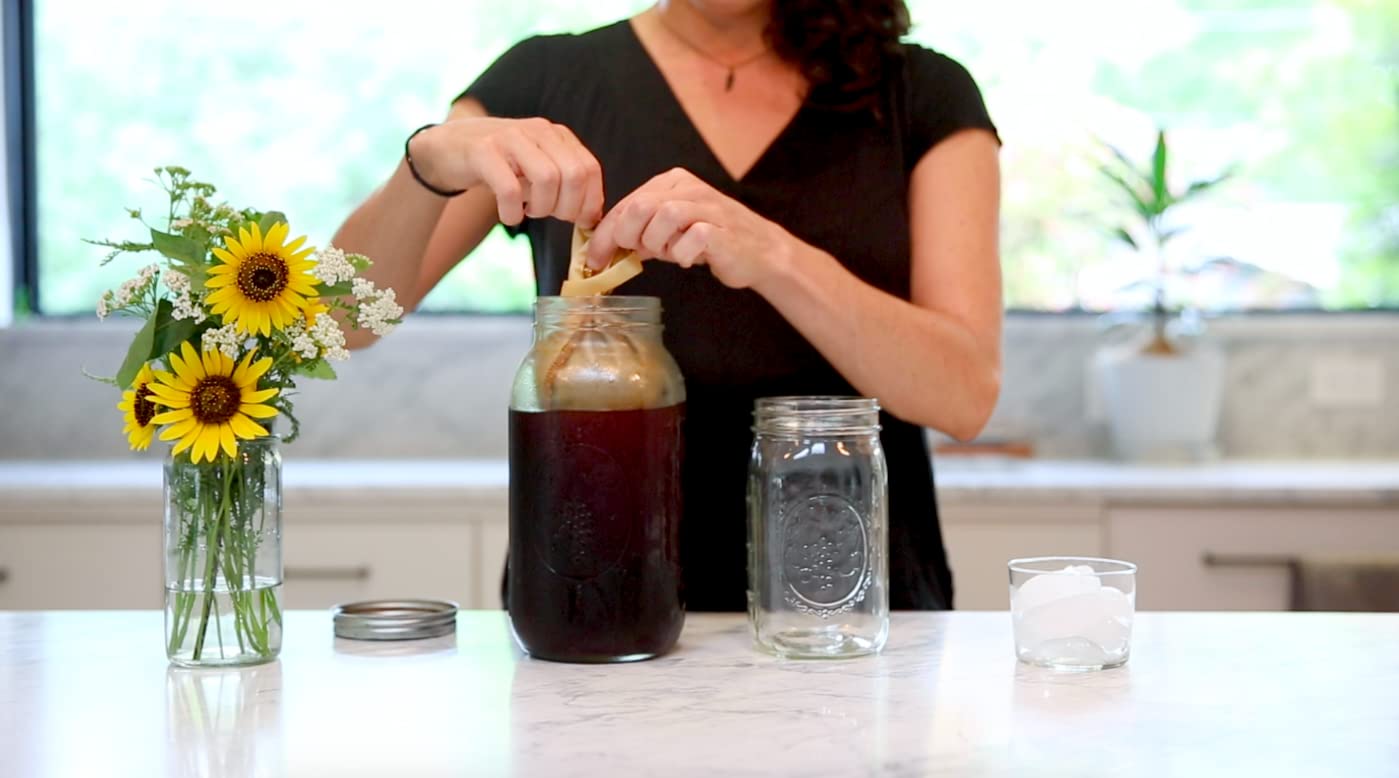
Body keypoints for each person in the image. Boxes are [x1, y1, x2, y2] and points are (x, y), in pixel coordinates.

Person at [334, 0, 1002, 610]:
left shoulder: (923, 93)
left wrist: (772, 256)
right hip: (595, 581)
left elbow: (962, 396)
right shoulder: (545, 78)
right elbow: (342, 321)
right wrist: (429, 160)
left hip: (845, 596)